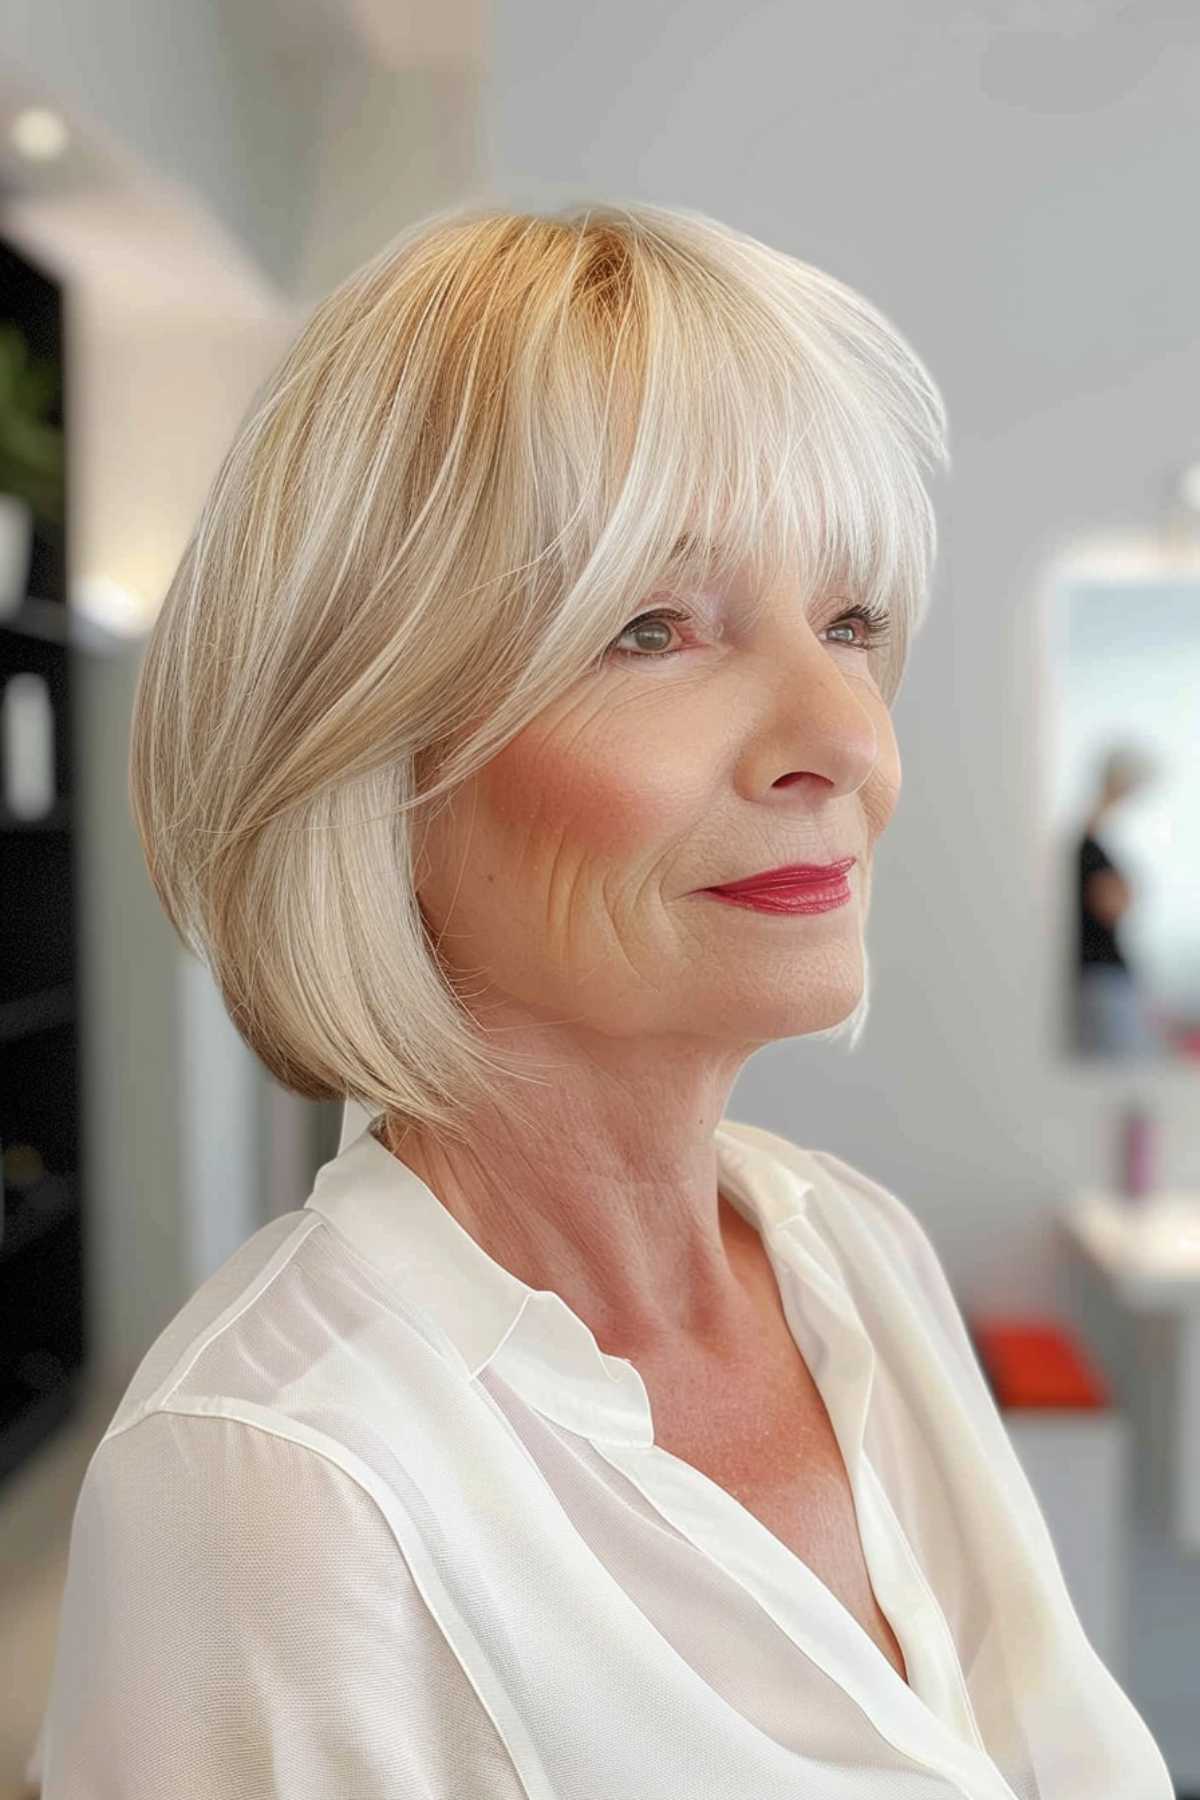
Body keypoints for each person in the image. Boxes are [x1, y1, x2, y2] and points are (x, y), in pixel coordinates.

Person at [31, 201, 1172, 1797]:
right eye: (654, 629)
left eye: (850, 622)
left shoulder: (853, 1255)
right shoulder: (277, 1484)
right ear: (373, 754)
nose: (844, 735)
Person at [1074, 745, 1165, 1058]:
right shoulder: (1085, 848)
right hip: (1100, 979)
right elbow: (1108, 903)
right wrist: (1124, 893)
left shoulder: (1090, 843)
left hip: (1105, 977)